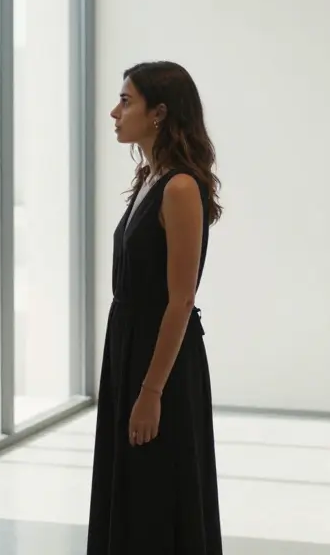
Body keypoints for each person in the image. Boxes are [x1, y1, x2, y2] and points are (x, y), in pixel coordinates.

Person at [87, 61, 224, 555]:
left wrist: (151, 391)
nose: (114, 112)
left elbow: (181, 299)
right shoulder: (151, 177)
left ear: (160, 113)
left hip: (159, 359)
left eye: (126, 101)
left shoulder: (181, 187)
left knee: (157, 491)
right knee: (131, 485)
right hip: (128, 345)